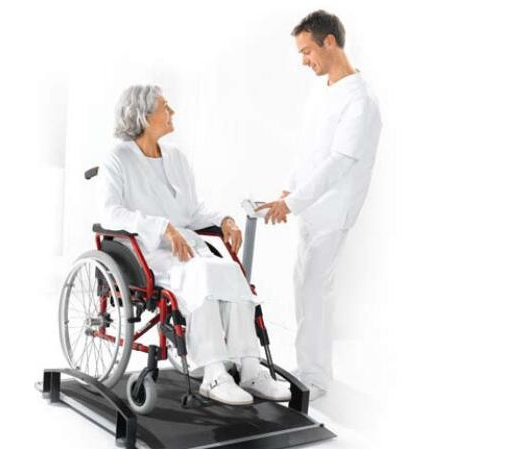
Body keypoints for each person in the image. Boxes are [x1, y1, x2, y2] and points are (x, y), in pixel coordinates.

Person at [99, 85, 290, 405]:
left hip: (187, 247)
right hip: (146, 251)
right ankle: (214, 373)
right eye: (165, 107)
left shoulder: (175, 157)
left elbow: (190, 212)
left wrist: (224, 220)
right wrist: (162, 228)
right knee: (201, 274)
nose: (172, 112)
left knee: (229, 271)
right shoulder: (117, 157)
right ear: (143, 116)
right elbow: (110, 213)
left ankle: (250, 367)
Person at [256, 10, 382, 400]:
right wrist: (287, 192)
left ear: (330, 42)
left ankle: (316, 378)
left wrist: (292, 202)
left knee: (314, 290)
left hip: (333, 211)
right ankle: (309, 368)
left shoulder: (360, 100)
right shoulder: (323, 90)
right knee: (304, 287)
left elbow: (339, 163)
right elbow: (309, 150)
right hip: (309, 208)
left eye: (307, 51)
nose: (303, 60)